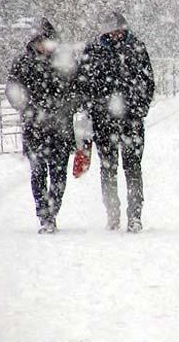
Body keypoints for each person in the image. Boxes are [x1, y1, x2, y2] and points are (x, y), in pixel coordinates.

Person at [73, 12, 155, 233]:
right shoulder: (94, 51)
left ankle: (134, 215)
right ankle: (112, 212)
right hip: (104, 121)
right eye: (113, 30)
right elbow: (83, 84)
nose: (117, 34)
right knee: (108, 168)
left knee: (132, 167)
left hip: (131, 119)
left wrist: (139, 108)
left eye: (119, 29)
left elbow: (147, 81)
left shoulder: (136, 47)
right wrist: (93, 109)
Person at [6, 18, 75, 234]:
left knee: (58, 174)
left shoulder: (64, 63)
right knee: (38, 173)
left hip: (60, 127)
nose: (44, 46)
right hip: (35, 127)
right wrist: (28, 108)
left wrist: (66, 108)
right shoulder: (23, 63)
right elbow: (12, 90)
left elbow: (76, 90)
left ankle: (52, 212)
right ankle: (44, 215)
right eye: (41, 41)